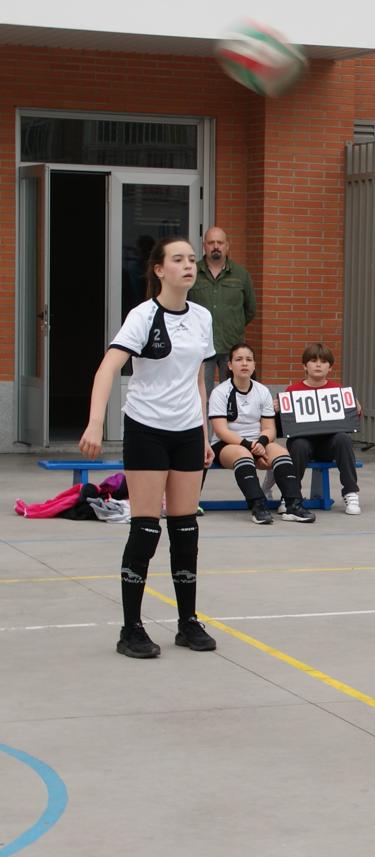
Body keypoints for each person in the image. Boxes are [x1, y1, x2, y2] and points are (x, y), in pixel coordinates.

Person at [79, 235, 218, 659]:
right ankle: (131, 629)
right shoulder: (143, 316)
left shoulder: (202, 317)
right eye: (179, 259)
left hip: (186, 433)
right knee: (145, 529)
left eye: (192, 259)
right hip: (147, 430)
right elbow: (108, 367)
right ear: (160, 270)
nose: (189, 266)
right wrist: (96, 421)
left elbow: (198, 378)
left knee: (186, 530)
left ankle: (187, 622)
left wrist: (203, 433)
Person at [208, 343, 313, 525]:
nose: (244, 363)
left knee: (281, 453)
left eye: (249, 359)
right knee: (243, 455)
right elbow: (221, 430)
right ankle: (258, 505)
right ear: (230, 365)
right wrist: (250, 446)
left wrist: (262, 443)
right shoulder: (220, 392)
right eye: (239, 359)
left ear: (254, 365)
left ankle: (293, 504)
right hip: (227, 445)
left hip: (257, 443)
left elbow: (269, 428)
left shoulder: (262, 391)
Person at [284, 343, 363, 516]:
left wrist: (355, 409)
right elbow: (285, 425)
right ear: (305, 365)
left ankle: (351, 492)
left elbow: (351, 423)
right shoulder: (292, 391)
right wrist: (278, 410)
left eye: (323, 361)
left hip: (329, 445)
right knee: (299, 445)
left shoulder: (338, 390)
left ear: (330, 367)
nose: (318, 364)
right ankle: (292, 496)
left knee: (343, 438)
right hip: (304, 443)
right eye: (313, 360)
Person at [189, 226, 256, 398]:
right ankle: (204, 426)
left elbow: (250, 310)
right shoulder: (192, 273)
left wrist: (233, 325)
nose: (216, 246)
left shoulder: (241, 275)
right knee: (201, 395)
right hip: (201, 346)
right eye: (211, 243)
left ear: (227, 246)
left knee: (234, 395)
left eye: (220, 242)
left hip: (231, 347)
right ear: (204, 245)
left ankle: (227, 426)